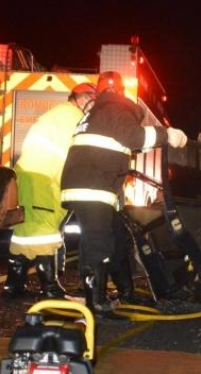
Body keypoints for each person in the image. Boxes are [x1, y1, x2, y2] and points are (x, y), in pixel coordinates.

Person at [60, 71, 188, 317]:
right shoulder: (117, 106)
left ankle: (124, 292)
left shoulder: (96, 112)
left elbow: (116, 144)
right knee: (99, 242)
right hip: (94, 187)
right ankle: (95, 304)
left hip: (87, 184)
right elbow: (133, 137)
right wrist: (167, 135)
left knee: (116, 238)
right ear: (120, 91)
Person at [2, 82, 98, 298]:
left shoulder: (54, 114)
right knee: (44, 234)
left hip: (28, 178)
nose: (94, 109)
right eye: (93, 102)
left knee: (25, 234)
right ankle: (50, 288)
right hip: (44, 181)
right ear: (83, 99)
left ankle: (13, 285)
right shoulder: (75, 118)